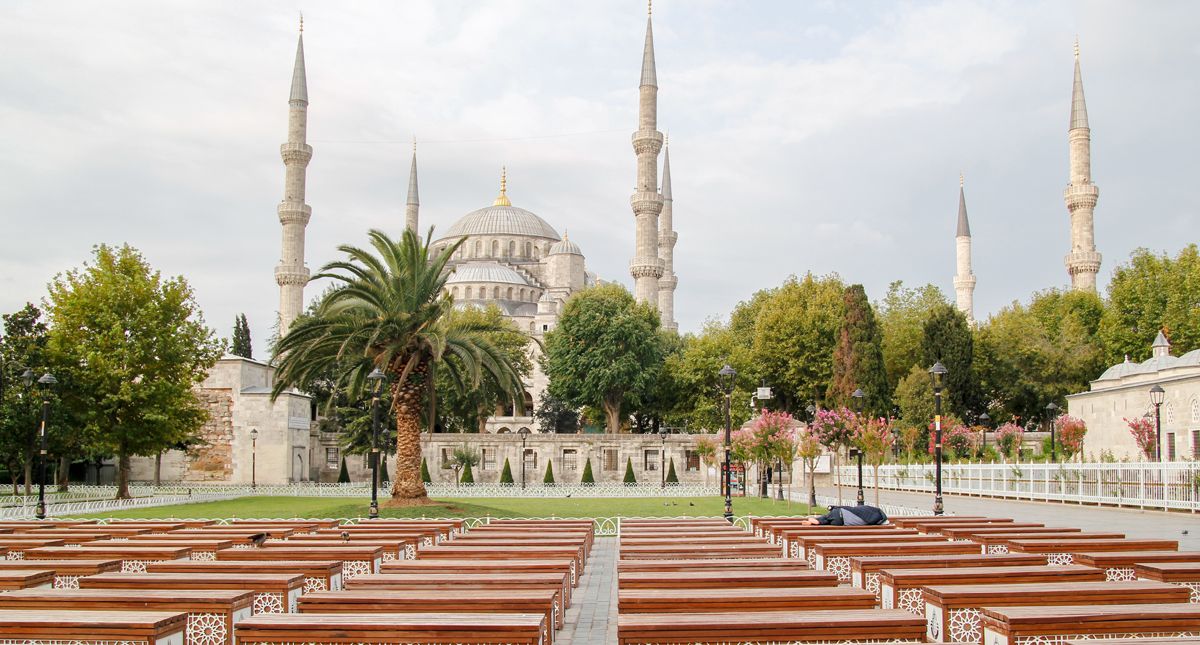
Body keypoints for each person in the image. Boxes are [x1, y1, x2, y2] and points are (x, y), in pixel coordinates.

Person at [799, 504, 888, 526]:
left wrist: (835, 507)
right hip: (841, 522)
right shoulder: (874, 520)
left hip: (840, 513)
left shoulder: (868, 511)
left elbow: (851, 508)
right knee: (828, 521)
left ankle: (815, 520)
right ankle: (816, 521)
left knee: (826, 518)